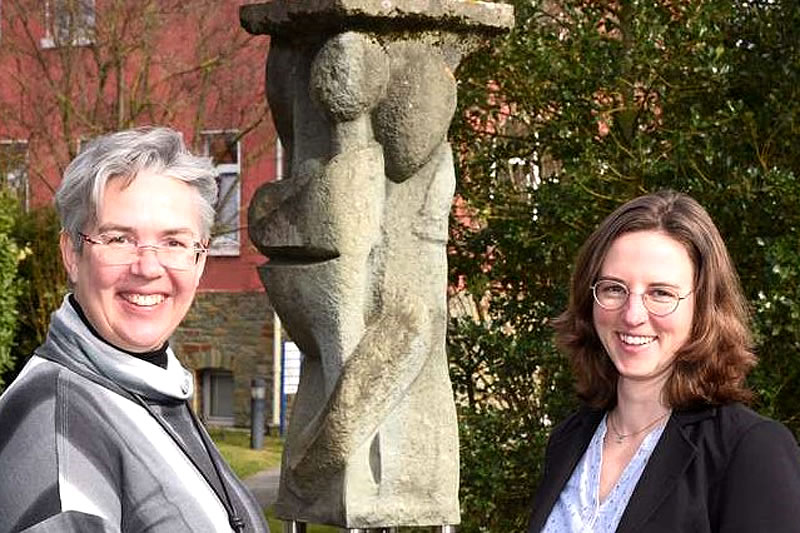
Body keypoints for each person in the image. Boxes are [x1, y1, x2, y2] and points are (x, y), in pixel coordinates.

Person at [0, 127, 269, 532]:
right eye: (119, 239)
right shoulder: (57, 430)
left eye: (174, 242)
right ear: (72, 254)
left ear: (199, 259)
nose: (148, 267)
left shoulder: (149, 386)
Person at [528, 190, 800, 532]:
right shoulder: (569, 440)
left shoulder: (750, 449)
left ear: (704, 307)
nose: (632, 315)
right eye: (614, 288)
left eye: (660, 293)